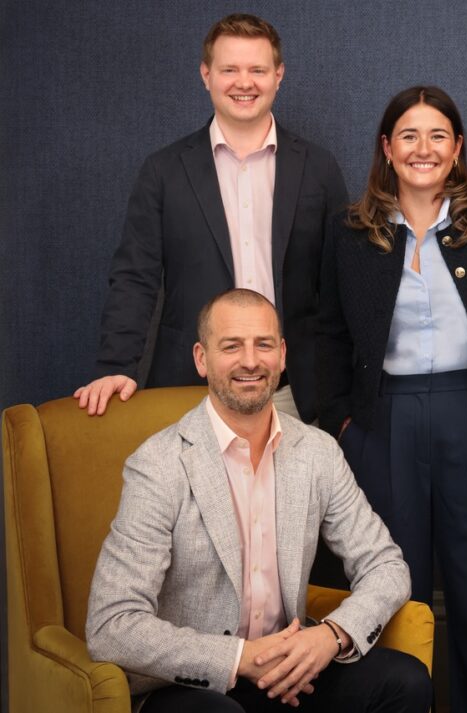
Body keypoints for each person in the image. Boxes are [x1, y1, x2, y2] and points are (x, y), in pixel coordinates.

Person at [86, 288, 432, 713]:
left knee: (406, 682)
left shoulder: (318, 452)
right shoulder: (158, 465)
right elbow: (111, 625)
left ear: (282, 354)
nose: (250, 361)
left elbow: (386, 566)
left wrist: (330, 636)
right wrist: (239, 659)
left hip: (291, 671)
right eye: (231, 346)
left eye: (263, 344)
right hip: (194, 685)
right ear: (201, 358)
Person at [317, 86, 467, 712]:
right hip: (382, 422)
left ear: (458, 147)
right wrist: (344, 422)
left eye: (438, 135)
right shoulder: (349, 232)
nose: (423, 148)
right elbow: (326, 330)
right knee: (393, 594)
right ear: (386, 148)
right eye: (408, 135)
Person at [74, 13, 348, 422]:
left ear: (278, 75)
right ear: (206, 75)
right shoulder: (163, 171)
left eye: (257, 69)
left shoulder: (319, 169)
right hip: (189, 390)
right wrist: (116, 365)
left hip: (294, 395)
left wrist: (342, 394)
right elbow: (135, 278)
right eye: (229, 69)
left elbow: (339, 288)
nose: (244, 82)